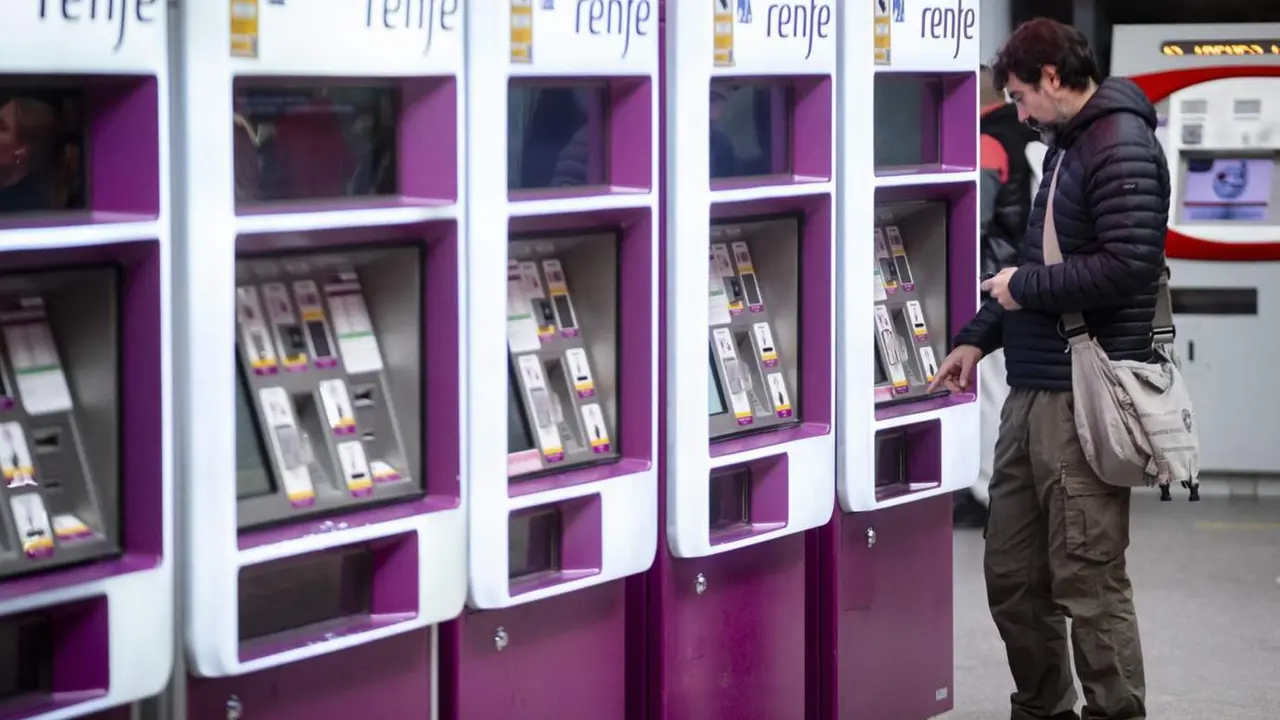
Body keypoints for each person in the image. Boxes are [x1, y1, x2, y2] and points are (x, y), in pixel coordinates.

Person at [930, 18, 1168, 720]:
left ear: (1054, 80)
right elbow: (1038, 263)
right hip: (1032, 391)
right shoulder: (1066, 146)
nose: (1017, 110)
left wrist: (1022, 291)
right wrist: (978, 337)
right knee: (1011, 573)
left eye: (1020, 95)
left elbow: (1128, 268)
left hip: (1081, 396)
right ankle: (1042, 708)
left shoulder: (1118, 144)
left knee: (1087, 579)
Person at [954, 67, 1045, 529]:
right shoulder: (1028, 131)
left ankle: (987, 494)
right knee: (1005, 387)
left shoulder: (987, 138)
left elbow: (976, 217)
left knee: (989, 389)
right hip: (1027, 274)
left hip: (992, 276)